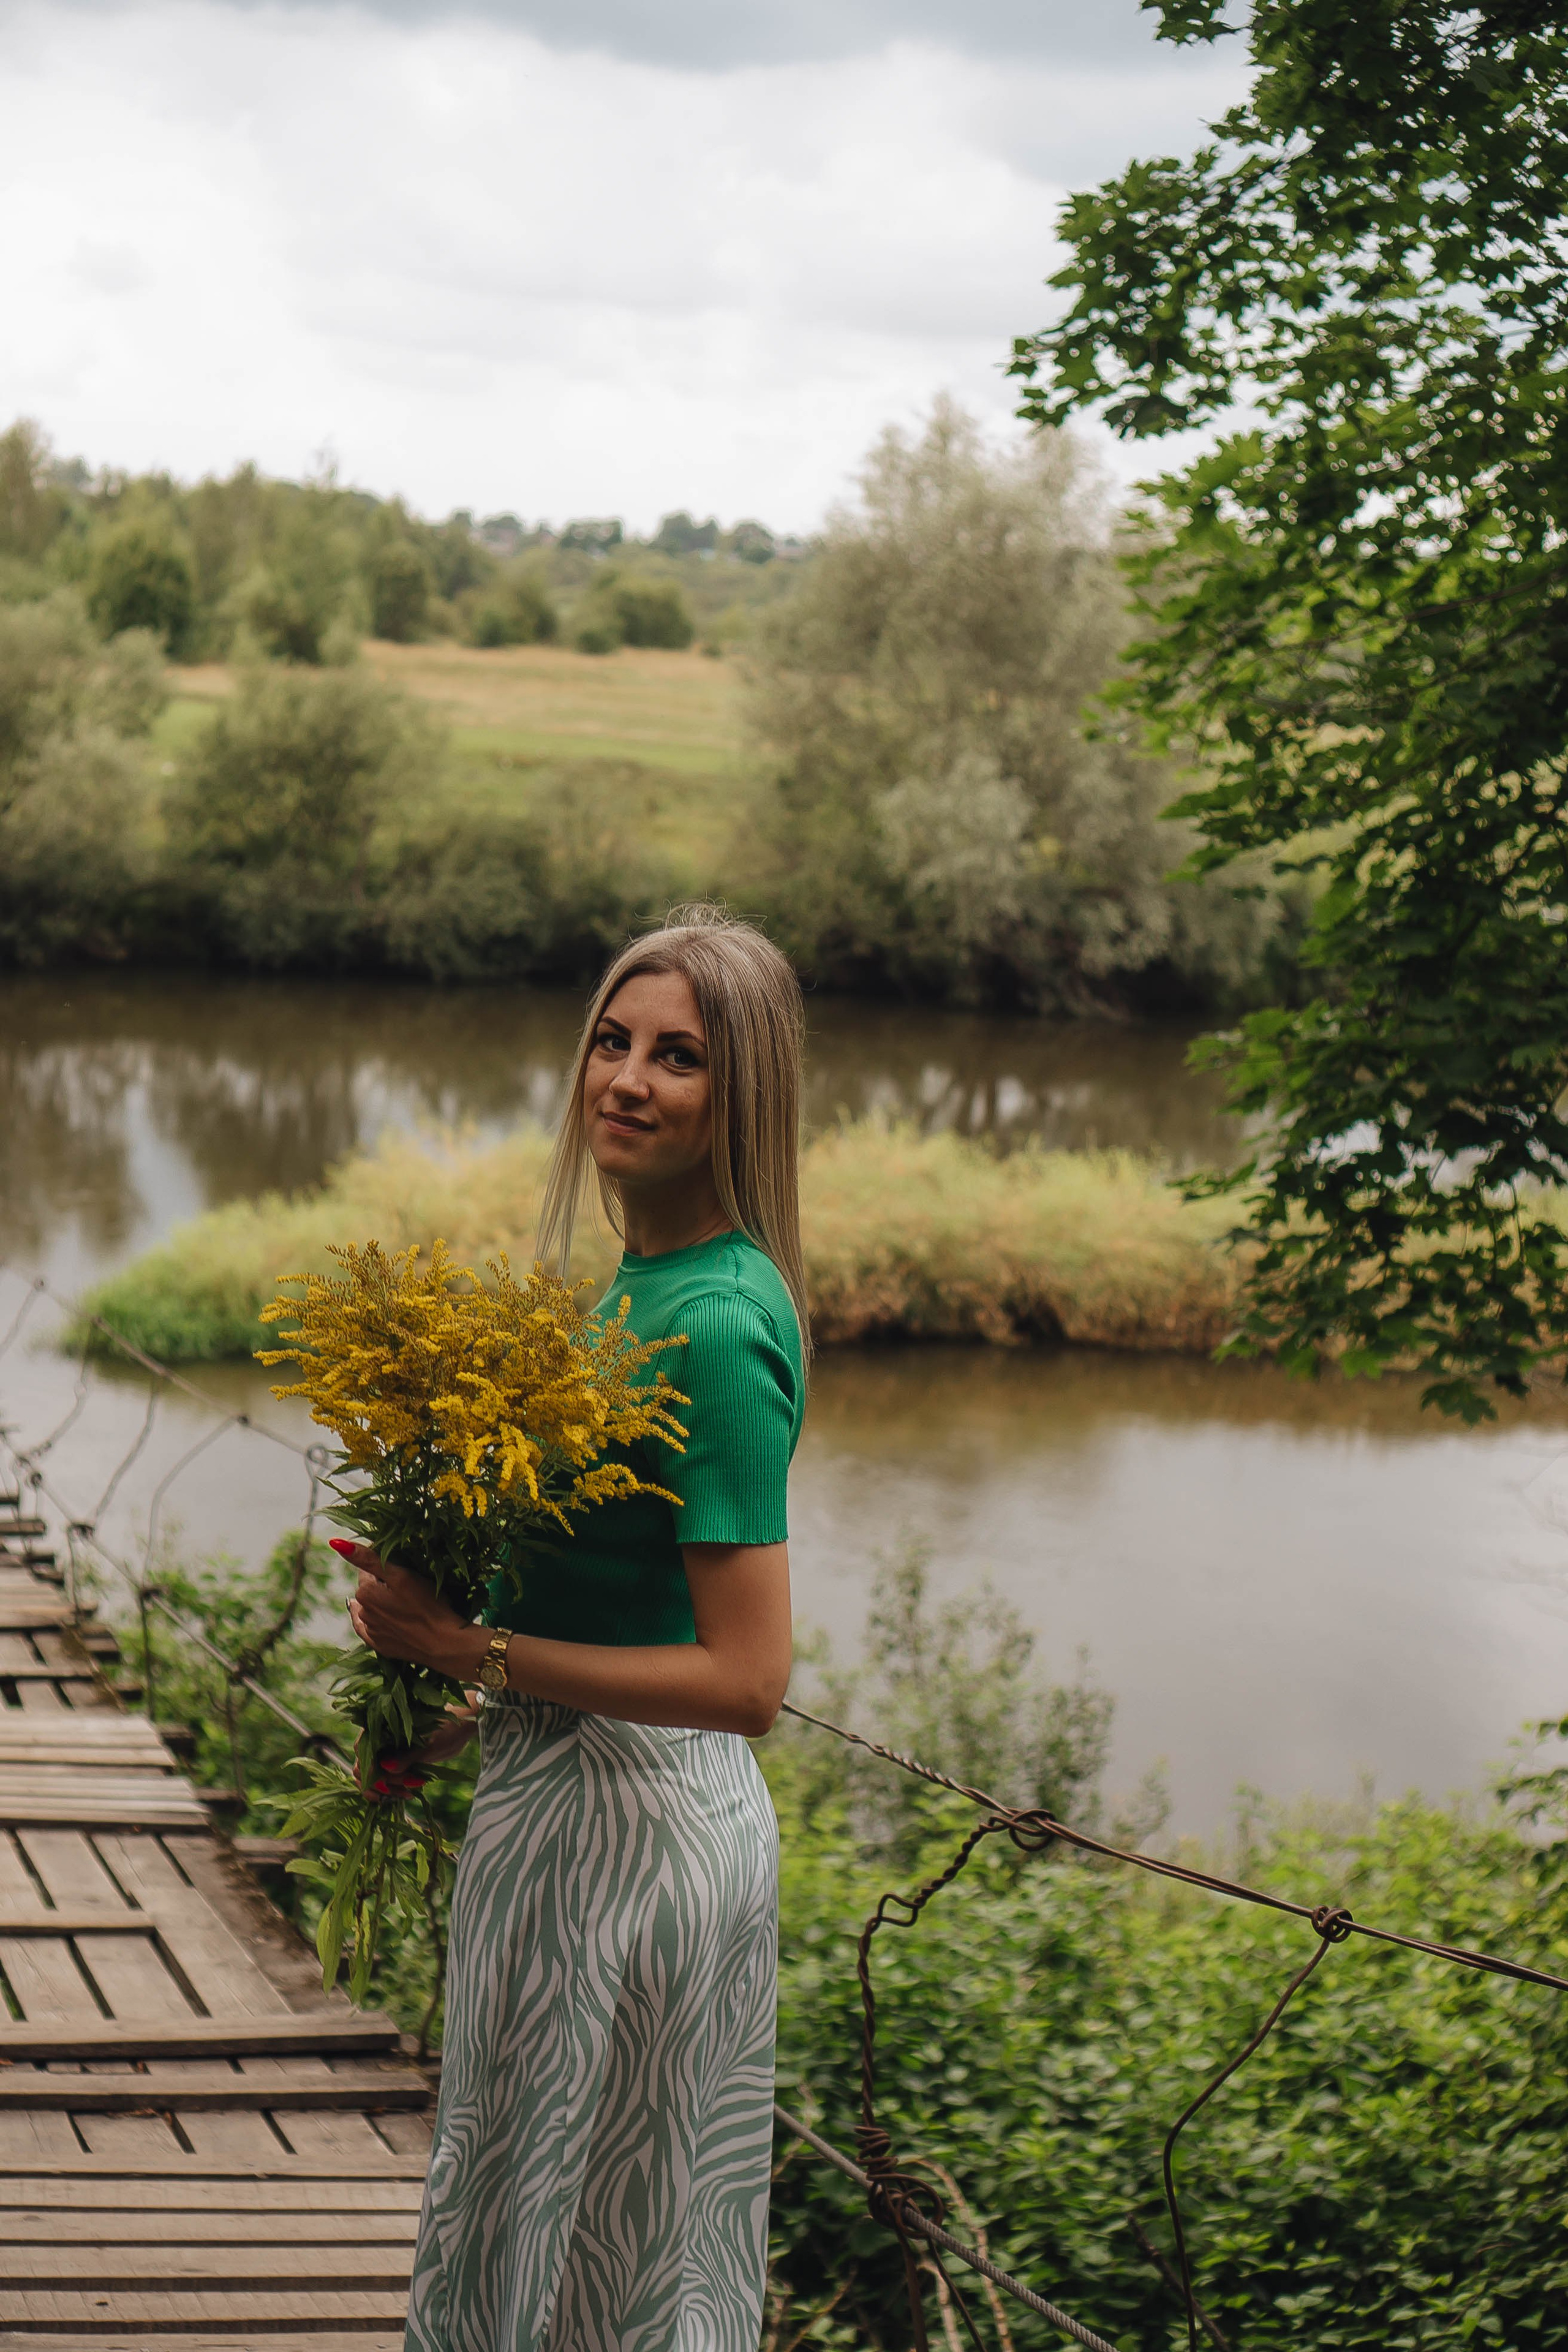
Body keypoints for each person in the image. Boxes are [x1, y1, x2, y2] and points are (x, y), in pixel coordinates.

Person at [341, 906, 807, 2352]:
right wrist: (458, 1714)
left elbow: (744, 1681)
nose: (626, 1079)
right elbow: (619, 1602)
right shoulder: (631, 1289)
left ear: (745, 1096)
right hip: (572, 1813)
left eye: (678, 1057)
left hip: (635, 1850)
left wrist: (461, 1652)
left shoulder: (715, 1321)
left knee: (581, 2255)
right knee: (558, 2232)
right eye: (612, 1040)